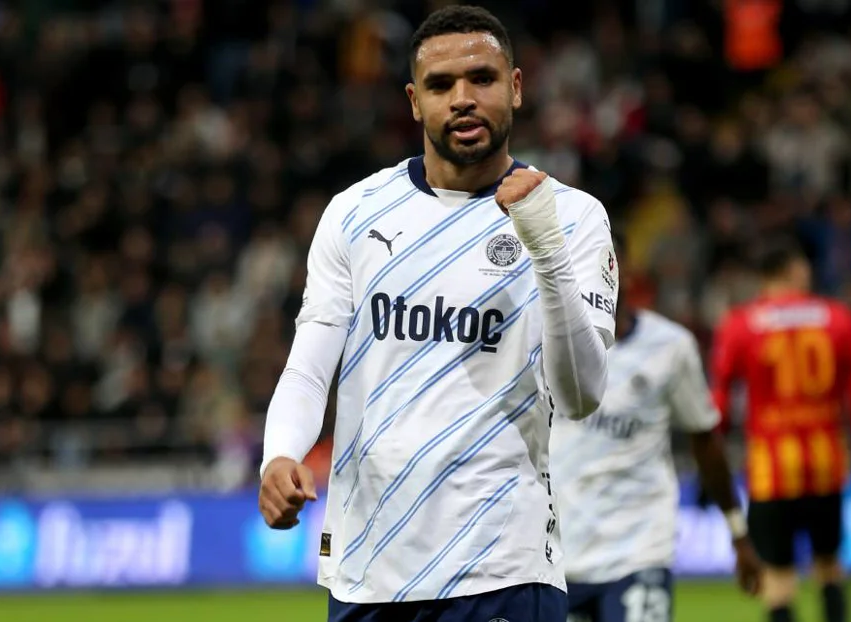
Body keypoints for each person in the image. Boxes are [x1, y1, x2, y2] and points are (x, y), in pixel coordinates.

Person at [257, 6, 618, 622]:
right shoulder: (354, 213)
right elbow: (310, 369)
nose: (463, 98)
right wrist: (279, 454)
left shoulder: (574, 217)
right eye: (441, 84)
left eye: (482, 78)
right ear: (414, 101)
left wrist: (546, 248)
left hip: (502, 567)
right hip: (369, 570)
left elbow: (581, 395)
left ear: (516, 87)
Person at [552, 232, 762, 622]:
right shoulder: (544, 342)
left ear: (625, 274)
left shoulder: (670, 346)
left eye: (607, 264)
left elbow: (704, 438)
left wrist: (737, 532)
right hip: (558, 556)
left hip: (639, 550)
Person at [710, 236, 851, 622]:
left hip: (770, 471)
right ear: (794, 270)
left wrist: (713, 464)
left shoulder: (740, 325)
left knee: (778, 579)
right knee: (830, 567)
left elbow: (719, 404)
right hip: (825, 465)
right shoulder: (838, 318)